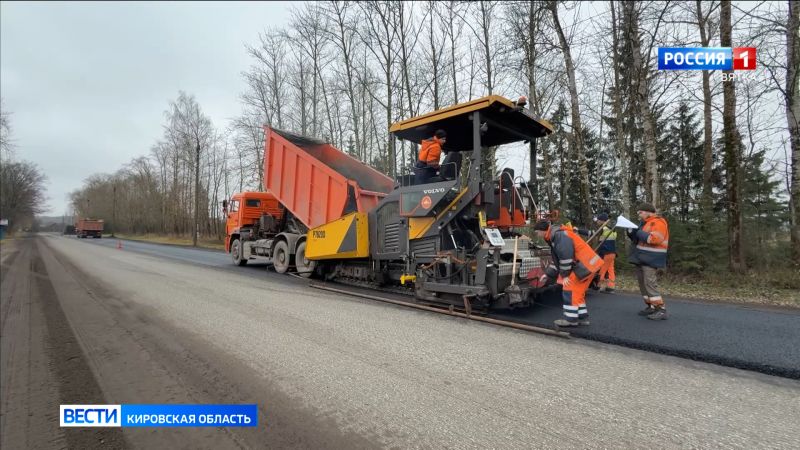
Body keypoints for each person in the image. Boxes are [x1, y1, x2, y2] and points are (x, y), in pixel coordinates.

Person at [534, 219, 604, 327]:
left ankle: (571, 320)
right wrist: (548, 274)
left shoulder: (559, 236)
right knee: (578, 293)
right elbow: (557, 260)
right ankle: (582, 318)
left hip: (585, 265)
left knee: (569, 290)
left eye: (537, 232)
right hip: (589, 264)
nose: (537, 235)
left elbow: (566, 258)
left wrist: (565, 276)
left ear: (543, 230)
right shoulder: (557, 235)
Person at [627, 202, 669, 320]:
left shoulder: (658, 222)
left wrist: (638, 231)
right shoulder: (645, 223)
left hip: (651, 258)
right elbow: (638, 240)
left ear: (648, 212)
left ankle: (661, 309)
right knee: (643, 283)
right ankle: (651, 306)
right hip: (641, 258)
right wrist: (631, 233)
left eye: (640, 212)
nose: (639, 215)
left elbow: (654, 239)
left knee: (650, 283)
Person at [594, 213, 617, 293]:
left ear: (602, 221)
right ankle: (611, 287)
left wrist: (579, 230)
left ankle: (599, 286)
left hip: (606, 253)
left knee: (602, 270)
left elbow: (592, 233)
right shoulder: (612, 229)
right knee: (610, 269)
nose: (597, 221)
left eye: (598, 220)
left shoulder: (603, 229)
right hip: (612, 253)